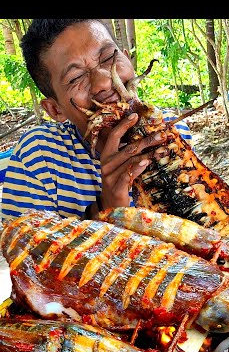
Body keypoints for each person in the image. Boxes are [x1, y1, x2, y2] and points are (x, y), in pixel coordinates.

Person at [0, 19, 192, 223]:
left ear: (128, 60)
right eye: (75, 78)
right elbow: (26, 251)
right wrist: (107, 208)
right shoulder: (39, 157)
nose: (103, 82)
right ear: (55, 109)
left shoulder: (175, 130)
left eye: (108, 57)